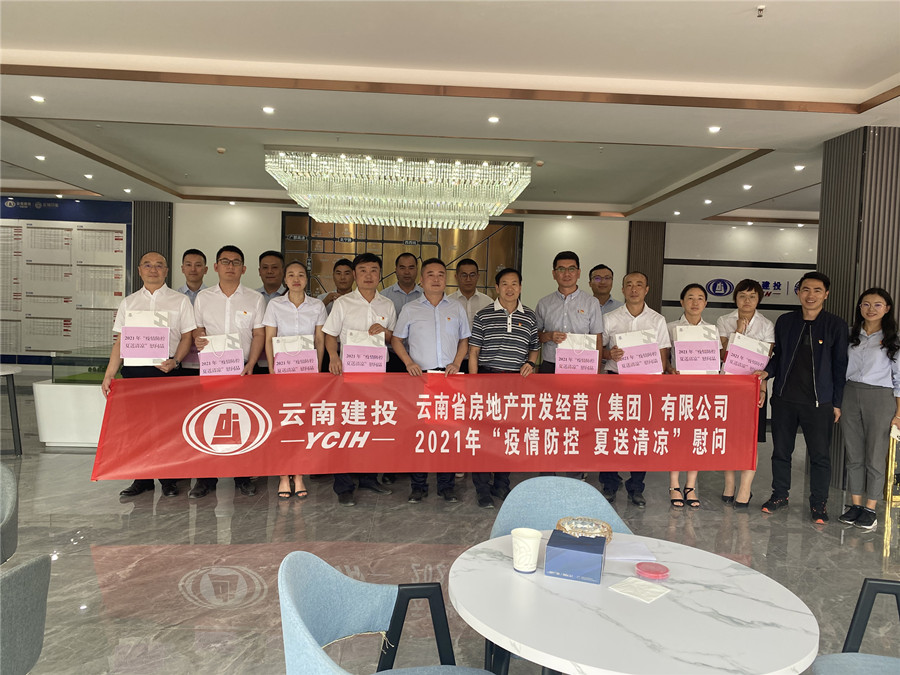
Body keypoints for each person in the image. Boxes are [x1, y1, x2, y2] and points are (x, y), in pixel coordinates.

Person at [102, 251, 195, 498]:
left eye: (159, 265)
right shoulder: (129, 302)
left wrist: (176, 361)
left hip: (167, 371)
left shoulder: (180, 301)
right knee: (138, 428)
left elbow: (187, 337)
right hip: (135, 373)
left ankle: (168, 479)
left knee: (167, 427)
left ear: (166, 271)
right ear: (140, 270)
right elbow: (120, 341)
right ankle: (142, 478)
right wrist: (109, 374)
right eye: (147, 265)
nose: (153, 269)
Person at [757, 271, 848, 524]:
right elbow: (778, 357)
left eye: (817, 290)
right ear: (798, 292)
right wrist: (766, 372)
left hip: (819, 403)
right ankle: (779, 495)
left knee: (820, 456)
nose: (811, 295)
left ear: (826, 294)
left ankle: (818, 503)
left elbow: (840, 366)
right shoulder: (786, 321)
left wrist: (837, 402)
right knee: (781, 452)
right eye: (806, 289)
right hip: (785, 399)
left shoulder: (836, 325)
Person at [391, 258, 470, 504]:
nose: (436, 279)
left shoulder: (456, 307)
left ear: (446, 279)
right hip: (420, 378)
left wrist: (457, 363)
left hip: (448, 378)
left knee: (447, 433)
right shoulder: (410, 309)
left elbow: (464, 340)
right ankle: (418, 485)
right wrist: (408, 363)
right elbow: (396, 340)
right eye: (431, 275)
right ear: (422, 280)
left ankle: (446, 486)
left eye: (440, 274)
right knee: (420, 433)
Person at [191, 245, 267, 499]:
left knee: (243, 422)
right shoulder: (203, 297)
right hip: (212, 368)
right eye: (225, 261)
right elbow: (198, 329)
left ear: (243, 269)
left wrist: (251, 364)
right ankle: (205, 479)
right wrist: (199, 338)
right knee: (208, 422)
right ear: (216, 267)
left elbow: (259, 334)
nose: (230, 266)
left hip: (243, 368)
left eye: (236, 262)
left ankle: (242, 477)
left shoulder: (255, 299)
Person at [323, 252, 396, 506]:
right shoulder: (343, 303)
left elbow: (393, 338)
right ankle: (343, 486)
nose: (368, 275)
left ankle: (369, 478)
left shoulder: (387, 304)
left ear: (380, 274)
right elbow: (330, 335)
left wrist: (385, 332)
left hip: (377, 376)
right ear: (355, 274)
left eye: (373, 270)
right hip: (349, 375)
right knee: (345, 428)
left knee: (373, 427)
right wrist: (333, 356)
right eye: (363, 270)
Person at [468, 268, 540, 509]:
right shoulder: (483, 315)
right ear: (496, 288)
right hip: (487, 380)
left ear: (520, 287)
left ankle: (501, 484)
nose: (510, 288)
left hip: (514, 383)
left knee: (508, 436)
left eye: (515, 283)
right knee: (484, 437)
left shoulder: (529, 316)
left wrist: (530, 363)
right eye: (505, 284)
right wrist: (474, 385)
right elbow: (474, 352)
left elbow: (534, 347)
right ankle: (482, 489)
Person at [599, 271, 671, 507]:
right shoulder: (610, 318)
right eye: (629, 284)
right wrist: (609, 353)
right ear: (622, 289)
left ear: (646, 289)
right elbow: (598, 350)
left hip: (645, 384)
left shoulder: (657, 320)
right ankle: (609, 484)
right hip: (615, 380)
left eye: (639, 284)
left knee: (641, 436)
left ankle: (636, 487)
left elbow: (662, 356)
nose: (634, 289)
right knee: (611, 434)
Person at [838, 288, 900, 532]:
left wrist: (898, 414)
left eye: (877, 304)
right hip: (850, 393)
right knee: (853, 453)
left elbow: (899, 378)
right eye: (866, 304)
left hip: (881, 397)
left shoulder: (893, 339)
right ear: (859, 307)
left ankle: (870, 509)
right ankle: (855, 505)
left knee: (875, 454)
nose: (871, 309)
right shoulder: (850, 334)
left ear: (887, 308)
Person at [264, 261, 327, 501]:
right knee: (283, 425)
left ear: (307, 278)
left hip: (307, 374)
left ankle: (299, 474)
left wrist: (317, 370)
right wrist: (272, 370)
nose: (296, 279)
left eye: (300, 274)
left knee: (302, 425)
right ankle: (283, 475)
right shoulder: (275, 305)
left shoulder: (317, 305)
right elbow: (270, 338)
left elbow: (319, 340)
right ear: (285, 279)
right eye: (291, 275)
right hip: (282, 374)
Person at [715, 279, 775, 507]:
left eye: (752, 296)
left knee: (749, 440)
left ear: (759, 299)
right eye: (742, 296)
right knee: (728, 437)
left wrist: (762, 388)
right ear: (735, 298)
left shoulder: (766, 325)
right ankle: (729, 484)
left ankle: (745, 488)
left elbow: (765, 362)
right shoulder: (723, 320)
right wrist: (738, 331)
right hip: (728, 386)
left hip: (752, 387)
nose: (747, 300)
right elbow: (723, 355)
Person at [665, 283, 721, 508]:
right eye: (690, 297)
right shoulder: (670, 328)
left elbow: (715, 364)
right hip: (677, 390)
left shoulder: (713, 330)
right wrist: (670, 369)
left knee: (697, 437)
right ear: (682, 302)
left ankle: (690, 486)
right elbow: (663, 359)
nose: (695, 302)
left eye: (700, 298)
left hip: (702, 391)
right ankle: (674, 485)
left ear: (705, 303)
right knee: (677, 437)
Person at [536, 251, 604, 374]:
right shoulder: (544, 303)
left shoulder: (591, 302)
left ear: (578, 273)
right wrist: (549, 336)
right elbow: (535, 335)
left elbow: (597, 339)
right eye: (561, 269)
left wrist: (597, 371)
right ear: (554, 274)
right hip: (551, 364)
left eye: (571, 269)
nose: (566, 274)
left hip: (582, 364)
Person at [381, 252, 423, 376]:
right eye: (402, 268)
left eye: (411, 267)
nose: (407, 272)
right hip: (392, 356)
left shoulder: (426, 296)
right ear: (396, 270)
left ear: (417, 270)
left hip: (419, 357)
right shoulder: (383, 297)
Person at [176, 248, 208, 374]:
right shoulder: (173, 297)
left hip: (209, 359)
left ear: (205, 270)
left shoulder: (214, 297)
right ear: (182, 268)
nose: (193, 269)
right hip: (180, 359)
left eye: (198, 265)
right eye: (188, 265)